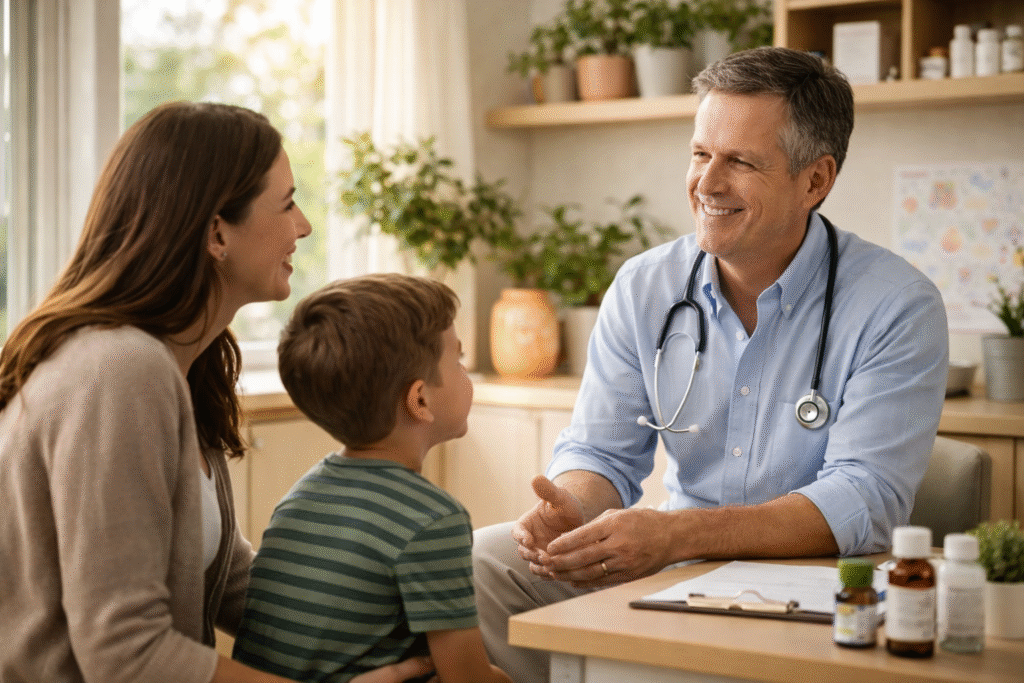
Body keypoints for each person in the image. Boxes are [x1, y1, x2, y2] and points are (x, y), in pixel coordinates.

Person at [473, 46, 949, 682]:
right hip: (677, 565)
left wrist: (679, 535)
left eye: (741, 162)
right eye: (700, 154)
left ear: (815, 180)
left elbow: (861, 498)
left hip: (813, 584)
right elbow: (604, 453)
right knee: (483, 564)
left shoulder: (896, 304)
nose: (707, 183)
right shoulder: (645, 286)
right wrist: (574, 508)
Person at [0, 102, 435, 683]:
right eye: (286, 204)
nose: (304, 226)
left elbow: (224, 575)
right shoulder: (119, 372)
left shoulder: (177, 362)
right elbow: (126, 654)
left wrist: (396, 606)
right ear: (216, 232)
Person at [232, 273, 512, 683]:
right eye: (460, 360)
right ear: (419, 400)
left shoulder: (300, 496)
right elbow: (466, 679)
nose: (466, 372)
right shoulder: (433, 520)